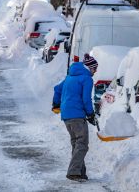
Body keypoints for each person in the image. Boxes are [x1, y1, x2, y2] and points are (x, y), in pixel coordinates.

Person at [52, 53, 98, 182]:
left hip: (66, 115)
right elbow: (86, 99)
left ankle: (80, 172)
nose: (96, 71)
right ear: (89, 68)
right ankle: (73, 172)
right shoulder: (86, 78)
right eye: (95, 68)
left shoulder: (70, 77)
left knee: (76, 143)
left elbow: (57, 89)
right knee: (82, 143)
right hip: (77, 115)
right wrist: (90, 113)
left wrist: (56, 103)